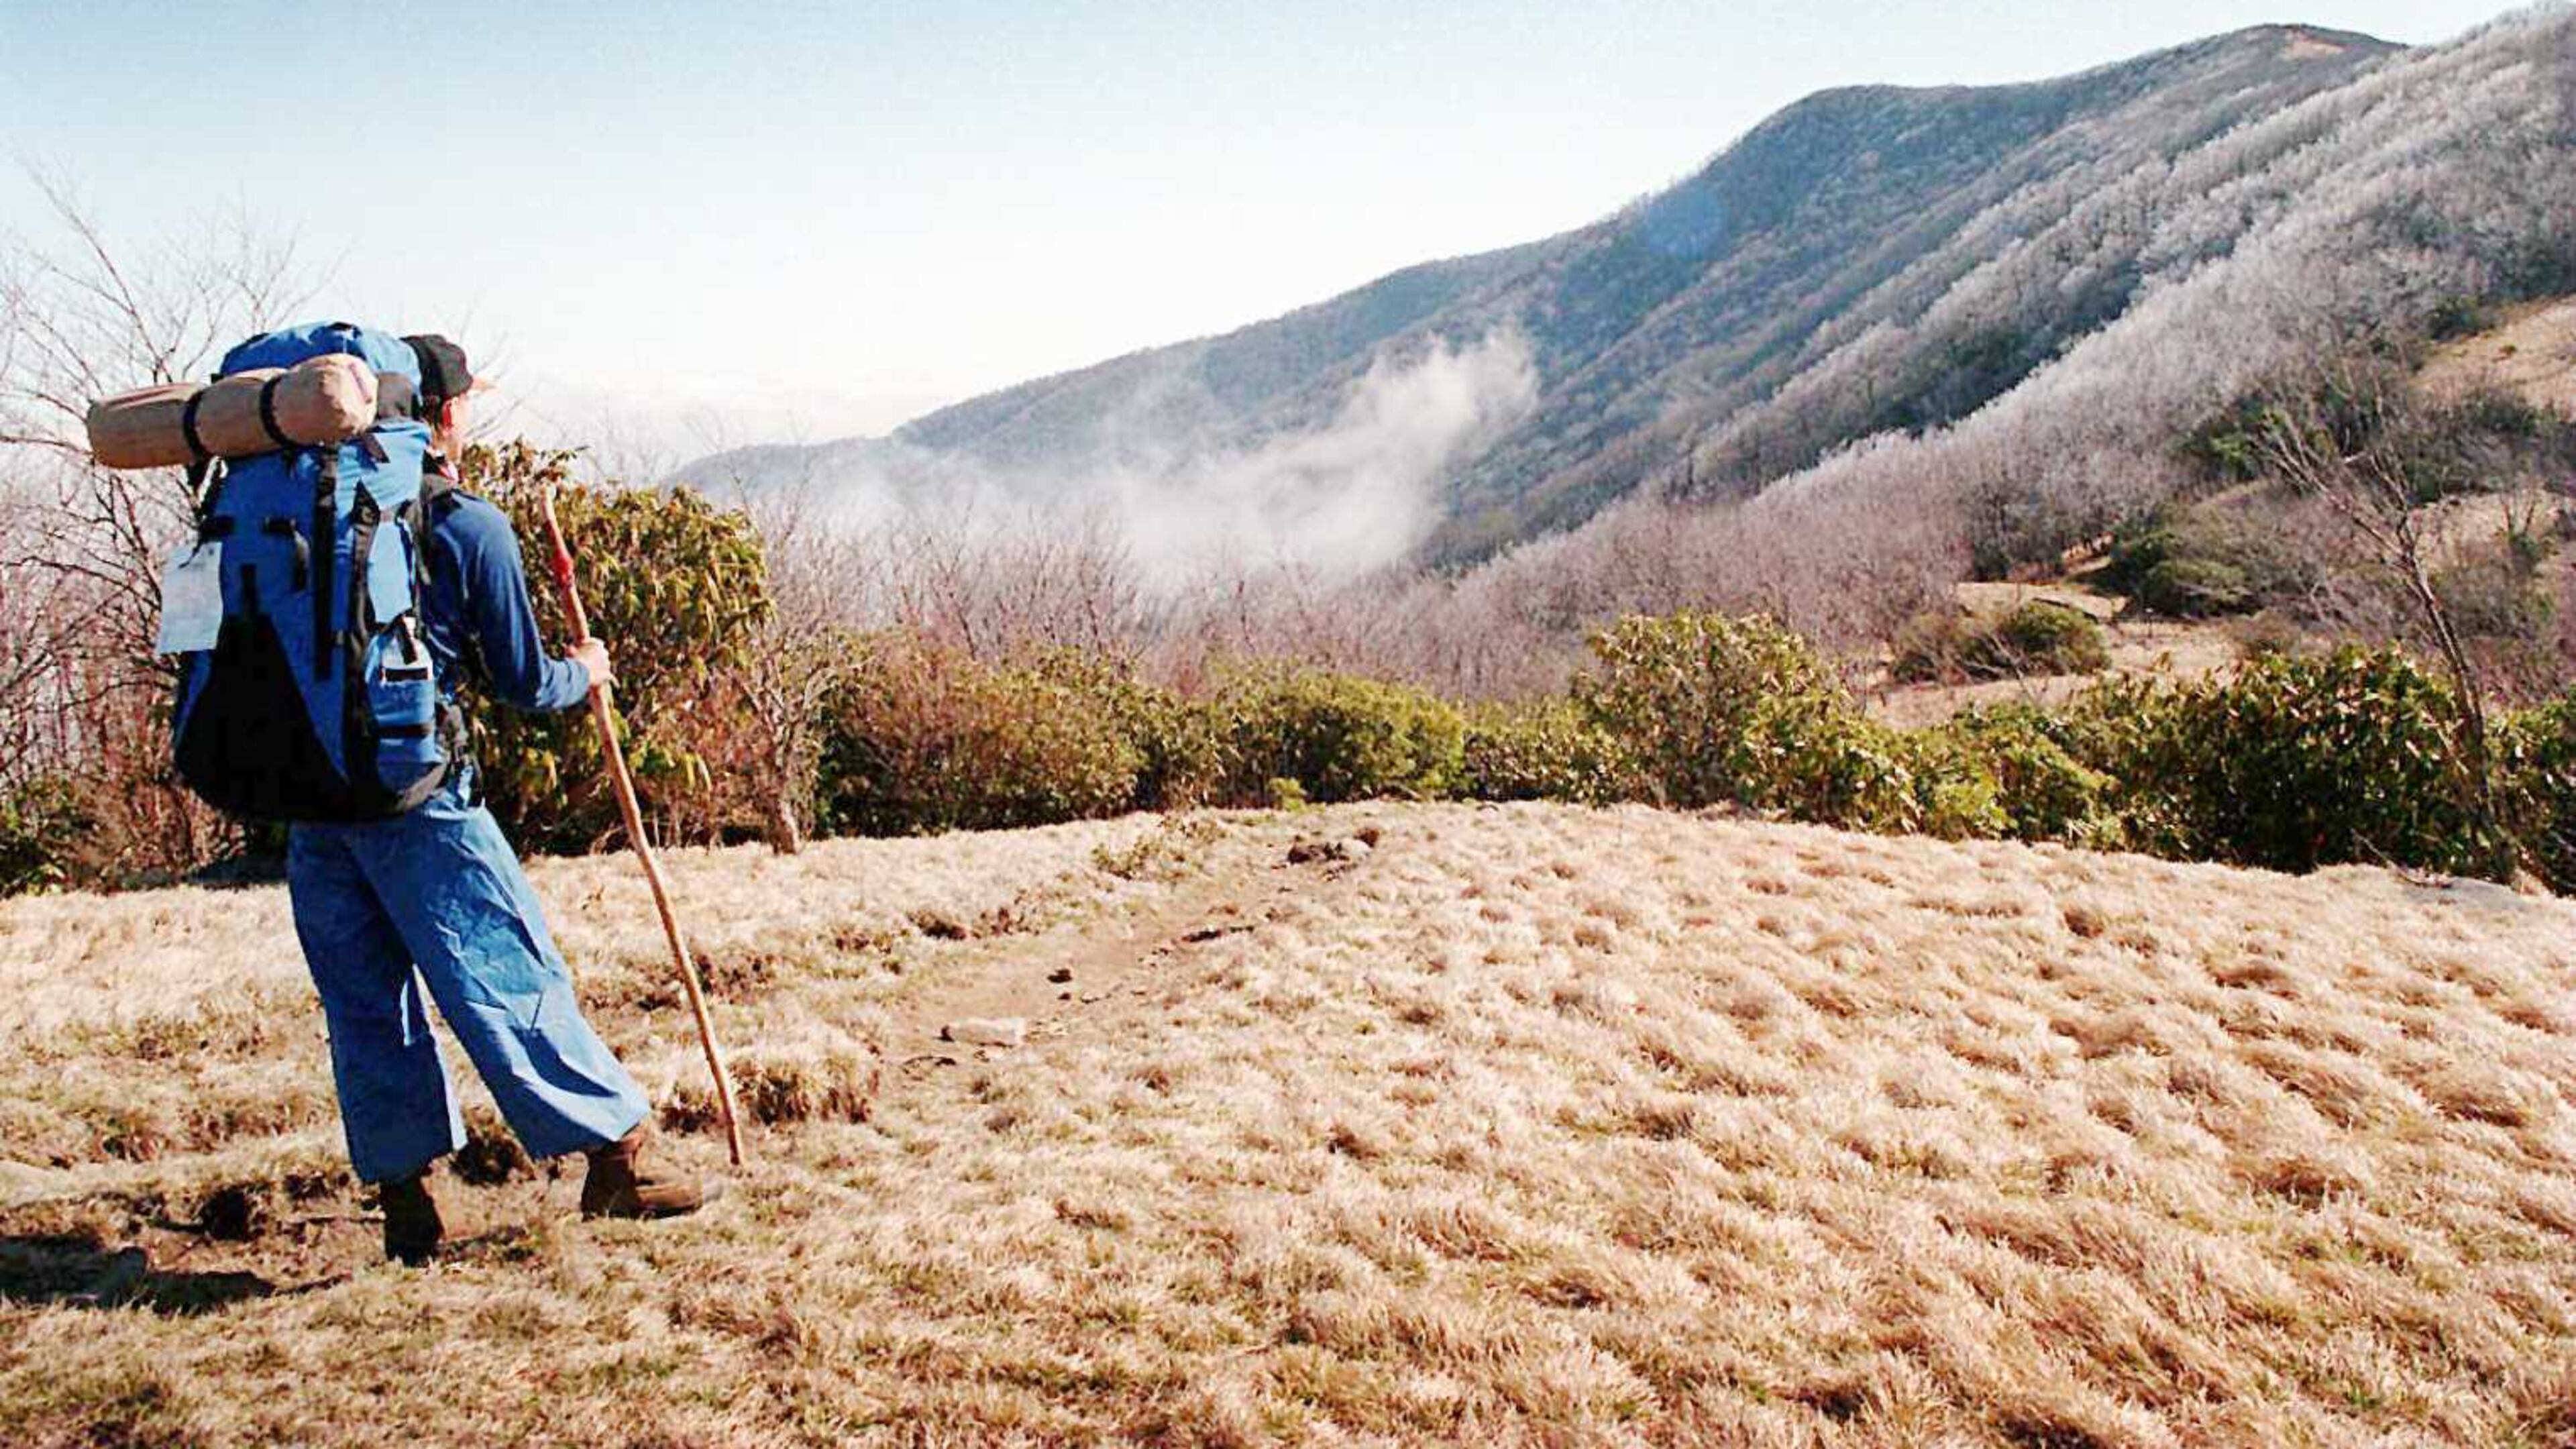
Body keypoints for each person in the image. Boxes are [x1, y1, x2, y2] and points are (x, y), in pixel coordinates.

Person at [285, 335, 705, 1265]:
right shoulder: (468, 527)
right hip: (422, 799)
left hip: (313, 805)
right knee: (506, 973)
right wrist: (584, 671)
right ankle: (617, 1160)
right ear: (440, 415)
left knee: (366, 1005)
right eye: (466, 400)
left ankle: (409, 1202)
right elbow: (523, 682)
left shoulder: (298, 517)